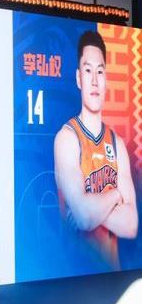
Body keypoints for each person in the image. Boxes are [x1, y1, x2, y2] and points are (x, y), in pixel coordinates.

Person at [54, 30, 137, 269]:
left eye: (100, 71)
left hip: (112, 275)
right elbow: (82, 216)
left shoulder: (117, 143)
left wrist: (90, 207)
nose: (94, 81)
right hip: (72, 276)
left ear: (106, 79)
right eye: (88, 70)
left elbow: (131, 225)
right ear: (78, 78)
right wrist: (115, 196)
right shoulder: (67, 139)